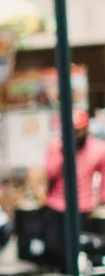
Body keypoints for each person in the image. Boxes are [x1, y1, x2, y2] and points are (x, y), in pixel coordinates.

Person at [43, 107, 105, 267]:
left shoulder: (97, 149)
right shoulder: (55, 147)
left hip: (82, 207)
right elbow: (51, 172)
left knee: (81, 248)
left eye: (78, 130)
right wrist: (65, 152)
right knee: (55, 248)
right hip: (57, 205)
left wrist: (102, 200)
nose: (75, 135)